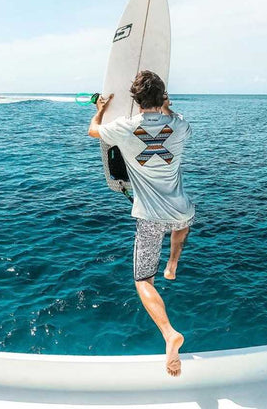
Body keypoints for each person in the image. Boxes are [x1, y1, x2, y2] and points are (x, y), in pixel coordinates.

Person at [87, 70, 195, 377]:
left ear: (135, 101)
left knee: (142, 281)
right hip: (181, 209)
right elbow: (174, 119)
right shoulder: (179, 125)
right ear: (163, 98)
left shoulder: (124, 127)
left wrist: (101, 110)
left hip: (149, 215)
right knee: (182, 224)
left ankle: (169, 334)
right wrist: (167, 109)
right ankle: (172, 264)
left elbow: (93, 131)